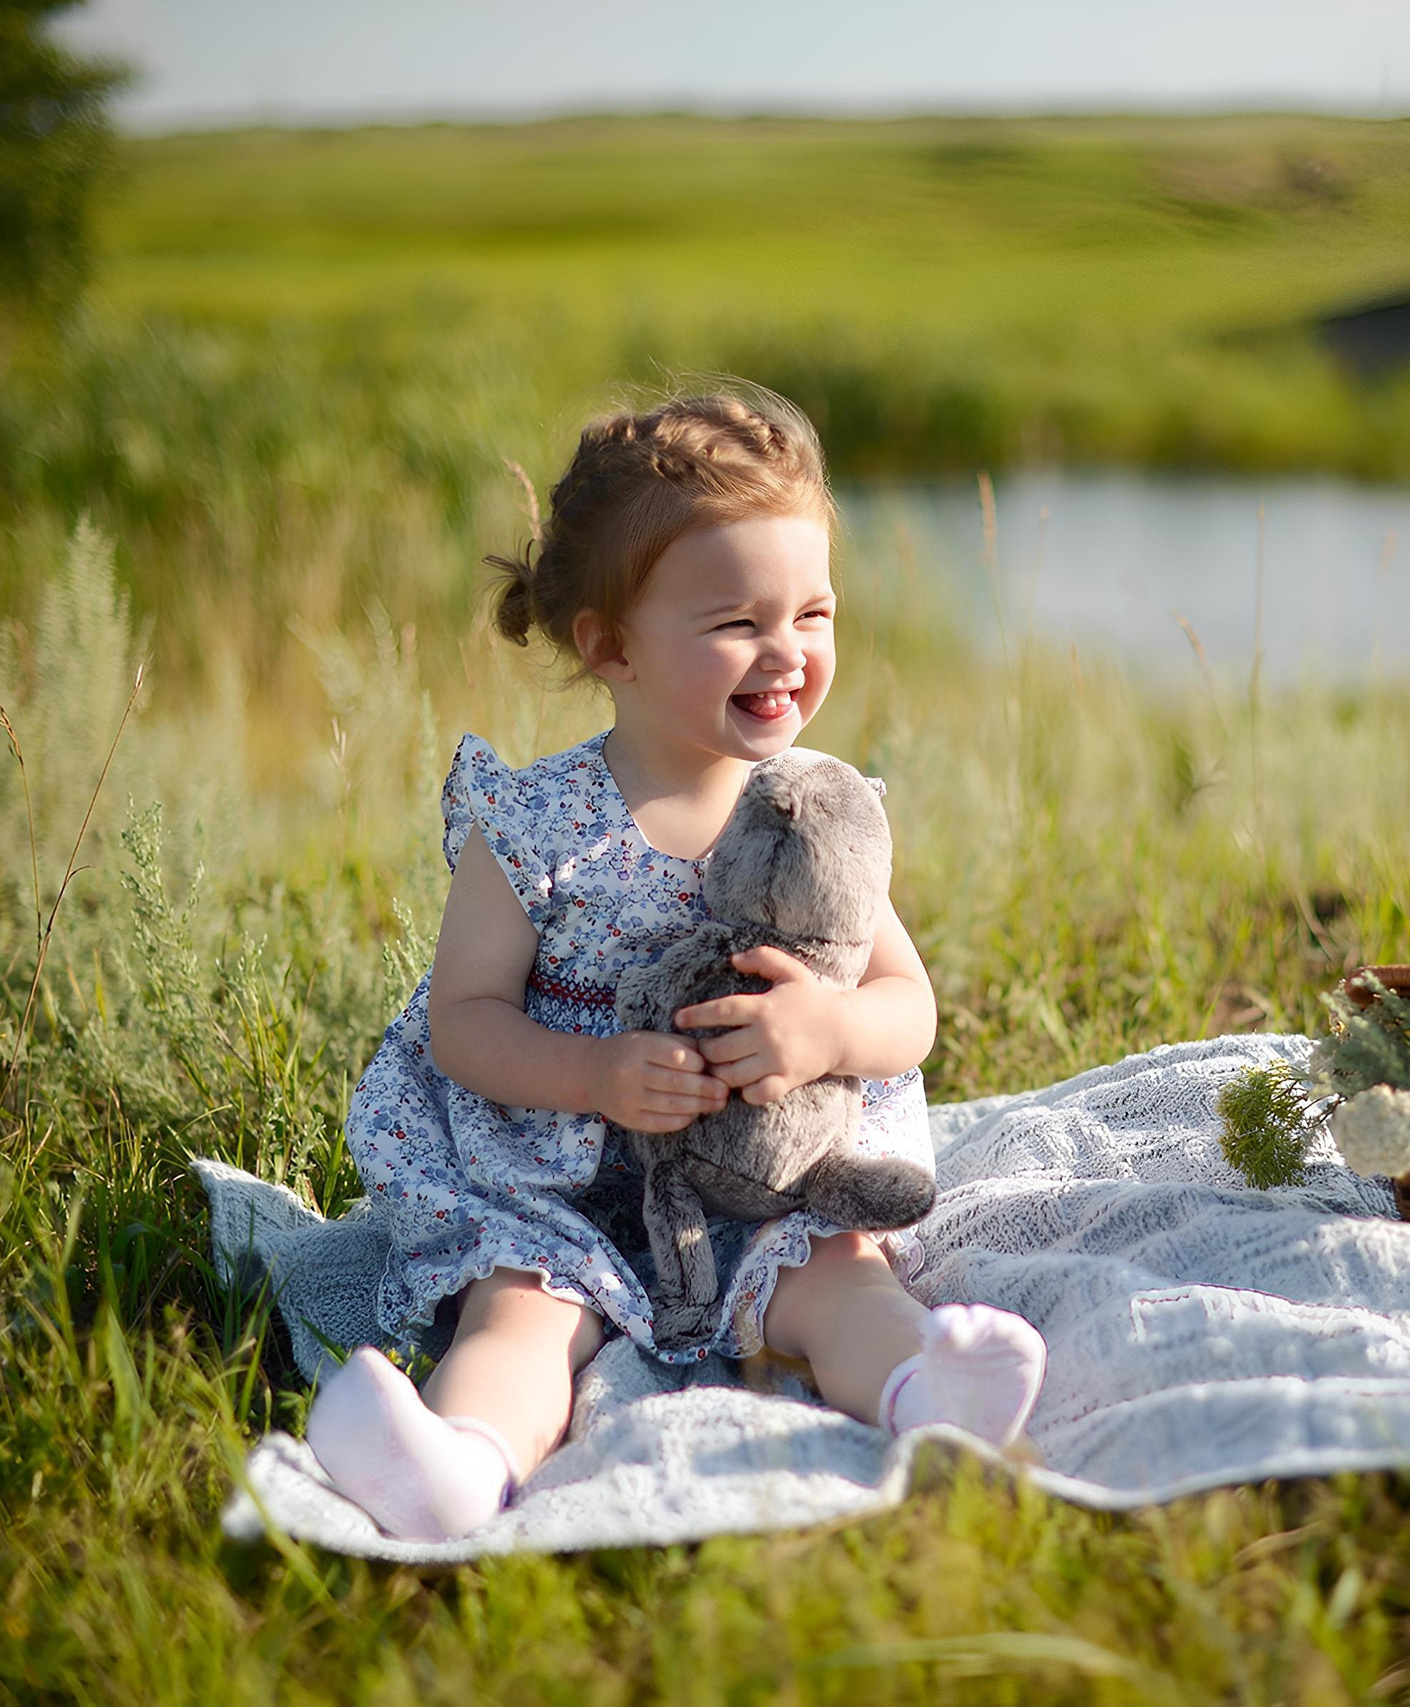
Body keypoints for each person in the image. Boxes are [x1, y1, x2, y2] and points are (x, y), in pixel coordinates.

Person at [303, 389, 1048, 1542]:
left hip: (764, 1180)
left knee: (842, 1274)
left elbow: (907, 1006)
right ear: (611, 646)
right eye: (735, 623)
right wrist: (594, 1075)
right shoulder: (536, 823)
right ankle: (459, 1463)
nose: (787, 651)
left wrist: (829, 1033)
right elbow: (464, 1020)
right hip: (565, 1185)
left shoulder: (813, 814)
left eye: (813, 610)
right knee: (518, 1313)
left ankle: (924, 1392)